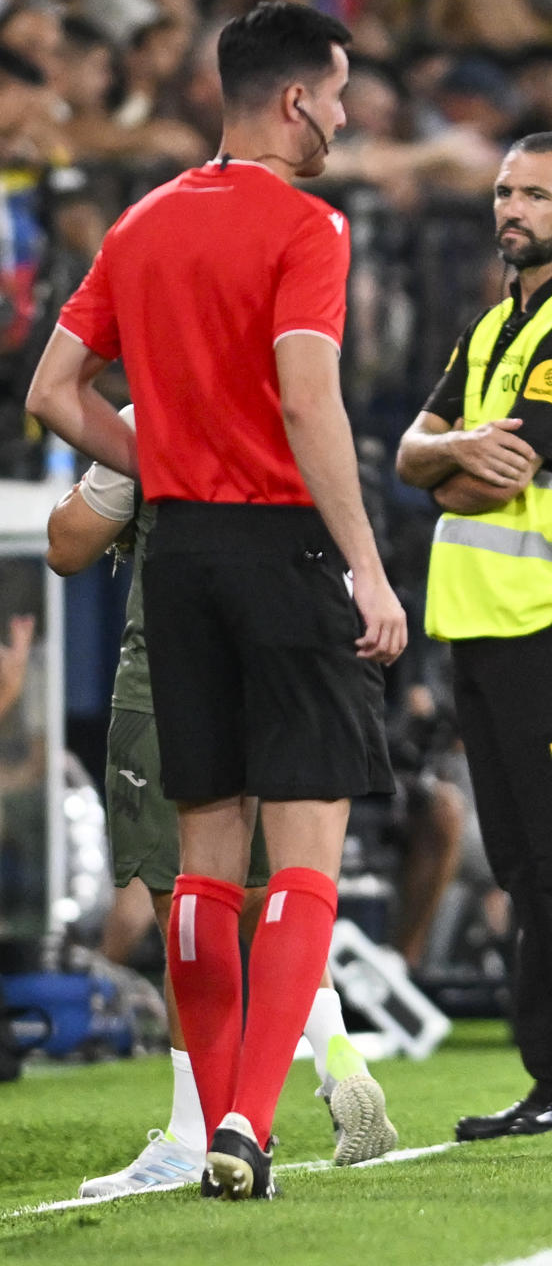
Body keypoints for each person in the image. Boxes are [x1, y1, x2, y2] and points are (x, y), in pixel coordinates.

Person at [25, 2, 407, 1201]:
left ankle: (207, 1123)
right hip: (286, 552)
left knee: (201, 860)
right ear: (296, 101)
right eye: (337, 96)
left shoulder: (139, 226)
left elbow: (52, 390)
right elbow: (308, 401)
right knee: (302, 857)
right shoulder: (307, 227)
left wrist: (158, 454)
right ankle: (244, 1117)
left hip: (176, 558)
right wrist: (366, 560)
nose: (343, 117)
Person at [46, 407, 398, 1196]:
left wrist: (97, 483)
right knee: (282, 887)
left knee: (189, 894)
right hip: (301, 650)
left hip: (176, 674)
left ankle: (194, 1126)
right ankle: (333, 1050)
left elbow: (67, 544)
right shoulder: (294, 403)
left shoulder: (155, 415)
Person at [395, 131, 552, 1140]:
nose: (512, 209)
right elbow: (422, 452)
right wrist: (450, 453)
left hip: (550, 620)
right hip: (481, 622)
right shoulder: (499, 323)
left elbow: (493, 470)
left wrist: (441, 461)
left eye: (535, 194)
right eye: (504, 191)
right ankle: (551, 1075)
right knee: (522, 863)